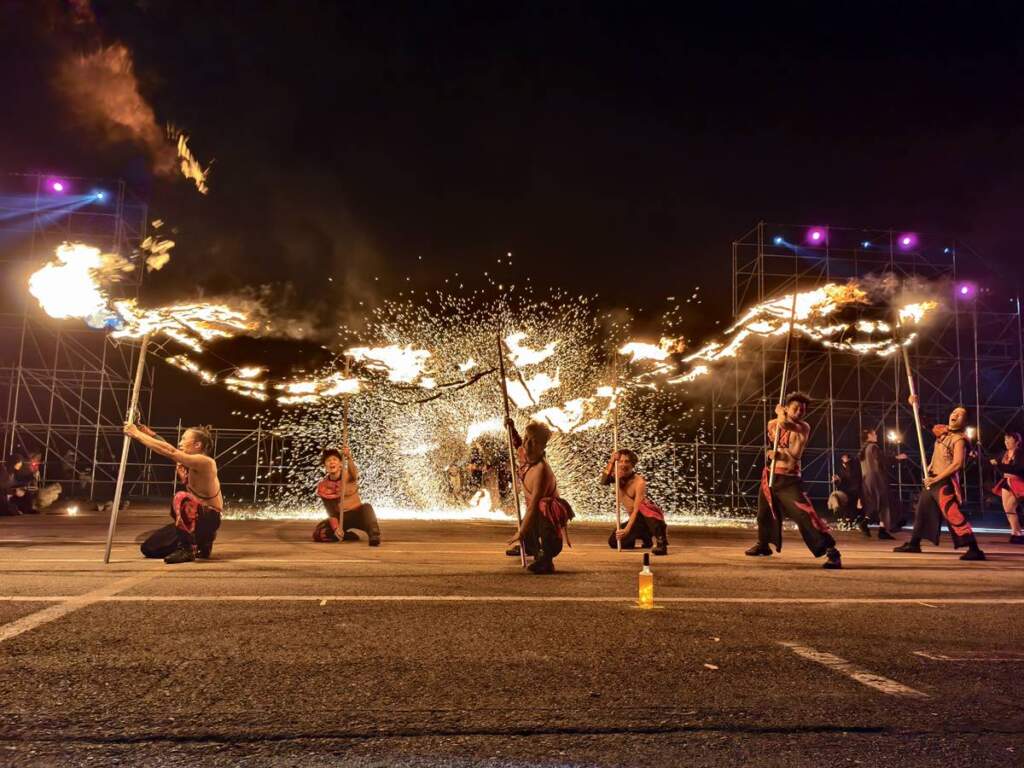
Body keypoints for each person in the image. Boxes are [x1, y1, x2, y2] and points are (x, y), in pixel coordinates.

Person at [746, 392, 842, 569]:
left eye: (802, 410)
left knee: (804, 515)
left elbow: (785, 426)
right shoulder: (772, 424)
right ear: (787, 408)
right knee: (764, 513)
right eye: (795, 408)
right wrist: (771, 454)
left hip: (789, 480)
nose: (799, 412)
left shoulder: (803, 427)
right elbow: (774, 444)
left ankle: (831, 552)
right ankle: (763, 544)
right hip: (771, 475)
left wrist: (780, 414)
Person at [893, 398, 986, 560]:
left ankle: (974, 549)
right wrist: (916, 405)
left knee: (953, 514)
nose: (955, 415)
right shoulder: (942, 431)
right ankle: (914, 543)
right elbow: (925, 422)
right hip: (932, 480)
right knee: (922, 511)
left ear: (964, 421)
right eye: (954, 412)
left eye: (960, 414)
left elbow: (957, 464)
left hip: (943, 483)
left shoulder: (959, 439)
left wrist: (936, 480)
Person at [126, 424, 223, 564]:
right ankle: (201, 543)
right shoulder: (187, 460)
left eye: (184, 439)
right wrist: (148, 433)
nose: (180, 442)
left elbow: (170, 451)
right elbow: (165, 446)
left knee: (181, 497)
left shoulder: (205, 462)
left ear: (197, 445)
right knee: (149, 548)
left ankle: (187, 549)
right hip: (193, 521)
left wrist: (136, 434)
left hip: (208, 519)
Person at [504, 418, 574, 574]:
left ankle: (546, 558)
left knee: (534, 521)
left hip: (547, 514)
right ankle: (532, 549)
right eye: (526, 439)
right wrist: (511, 428)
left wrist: (521, 533)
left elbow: (534, 506)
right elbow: (517, 444)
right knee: (526, 524)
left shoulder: (541, 470)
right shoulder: (525, 452)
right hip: (534, 510)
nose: (528, 445)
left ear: (543, 447)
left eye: (534, 442)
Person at [601, 448, 669, 555]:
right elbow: (603, 481)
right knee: (613, 542)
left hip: (644, 518)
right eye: (621, 461)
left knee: (648, 512)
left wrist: (627, 530)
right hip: (636, 522)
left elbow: (637, 509)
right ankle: (644, 537)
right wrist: (611, 461)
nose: (623, 464)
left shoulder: (639, 482)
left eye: (627, 461)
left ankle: (661, 543)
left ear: (632, 464)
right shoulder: (617, 477)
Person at [313, 447, 381, 545]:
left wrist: (348, 457)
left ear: (340, 464)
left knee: (367, 507)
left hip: (357, 514)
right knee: (321, 532)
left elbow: (353, 472)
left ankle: (374, 536)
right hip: (341, 519)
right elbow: (331, 512)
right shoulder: (323, 486)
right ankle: (347, 535)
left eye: (334, 459)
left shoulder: (349, 476)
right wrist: (336, 528)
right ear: (325, 466)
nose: (332, 462)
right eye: (328, 460)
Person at [859, 429, 904, 539]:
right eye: (874, 434)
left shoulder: (864, 449)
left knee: (876, 503)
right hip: (876, 478)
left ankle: (879, 528)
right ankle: (873, 526)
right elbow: (882, 459)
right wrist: (897, 458)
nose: (876, 435)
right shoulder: (873, 447)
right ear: (869, 435)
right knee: (884, 502)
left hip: (867, 479)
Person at [989, 431, 1024, 544]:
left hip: (1018, 482)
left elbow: (1018, 469)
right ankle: (1016, 532)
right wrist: (976, 456)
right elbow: (991, 461)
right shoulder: (1004, 454)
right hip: (1006, 482)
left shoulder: (1020, 454)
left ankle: (1018, 533)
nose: (1006, 442)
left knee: (1010, 507)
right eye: (1005, 439)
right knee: (1008, 509)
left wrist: (999, 465)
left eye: (1009, 439)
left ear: (1017, 442)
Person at [829, 452, 862, 530]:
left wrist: (847, 464)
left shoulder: (854, 467)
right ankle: (842, 516)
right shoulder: (842, 468)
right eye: (843, 458)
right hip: (845, 491)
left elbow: (852, 476)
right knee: (836, 497)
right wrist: (836, 480)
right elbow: (841, 482)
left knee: (851, 507)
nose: (843, 460)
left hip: (854, 492)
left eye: (845, 458)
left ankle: (849, 521)